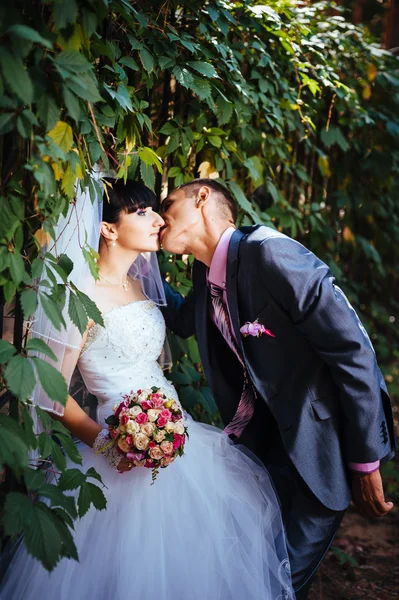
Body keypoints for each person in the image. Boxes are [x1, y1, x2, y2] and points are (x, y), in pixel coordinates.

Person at [0, 178, 294, 600]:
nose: (158, 219)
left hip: (177, 435)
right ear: (107, 229)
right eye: (142, 212)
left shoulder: (141, 287)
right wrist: (108, 444)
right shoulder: (79, 297)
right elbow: (51, 393)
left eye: (155, 210)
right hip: (116, 447)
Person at [160, 178, 396, 600]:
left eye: (168, 202)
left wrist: (366, 459)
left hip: (322, 449)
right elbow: (181, 320)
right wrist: (127, 267)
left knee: (272, 585)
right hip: (261, 454)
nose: (161, 215)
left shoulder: (269, 252)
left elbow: (352, 348)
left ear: (201, 198)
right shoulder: (205, 269)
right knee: (256, 573)